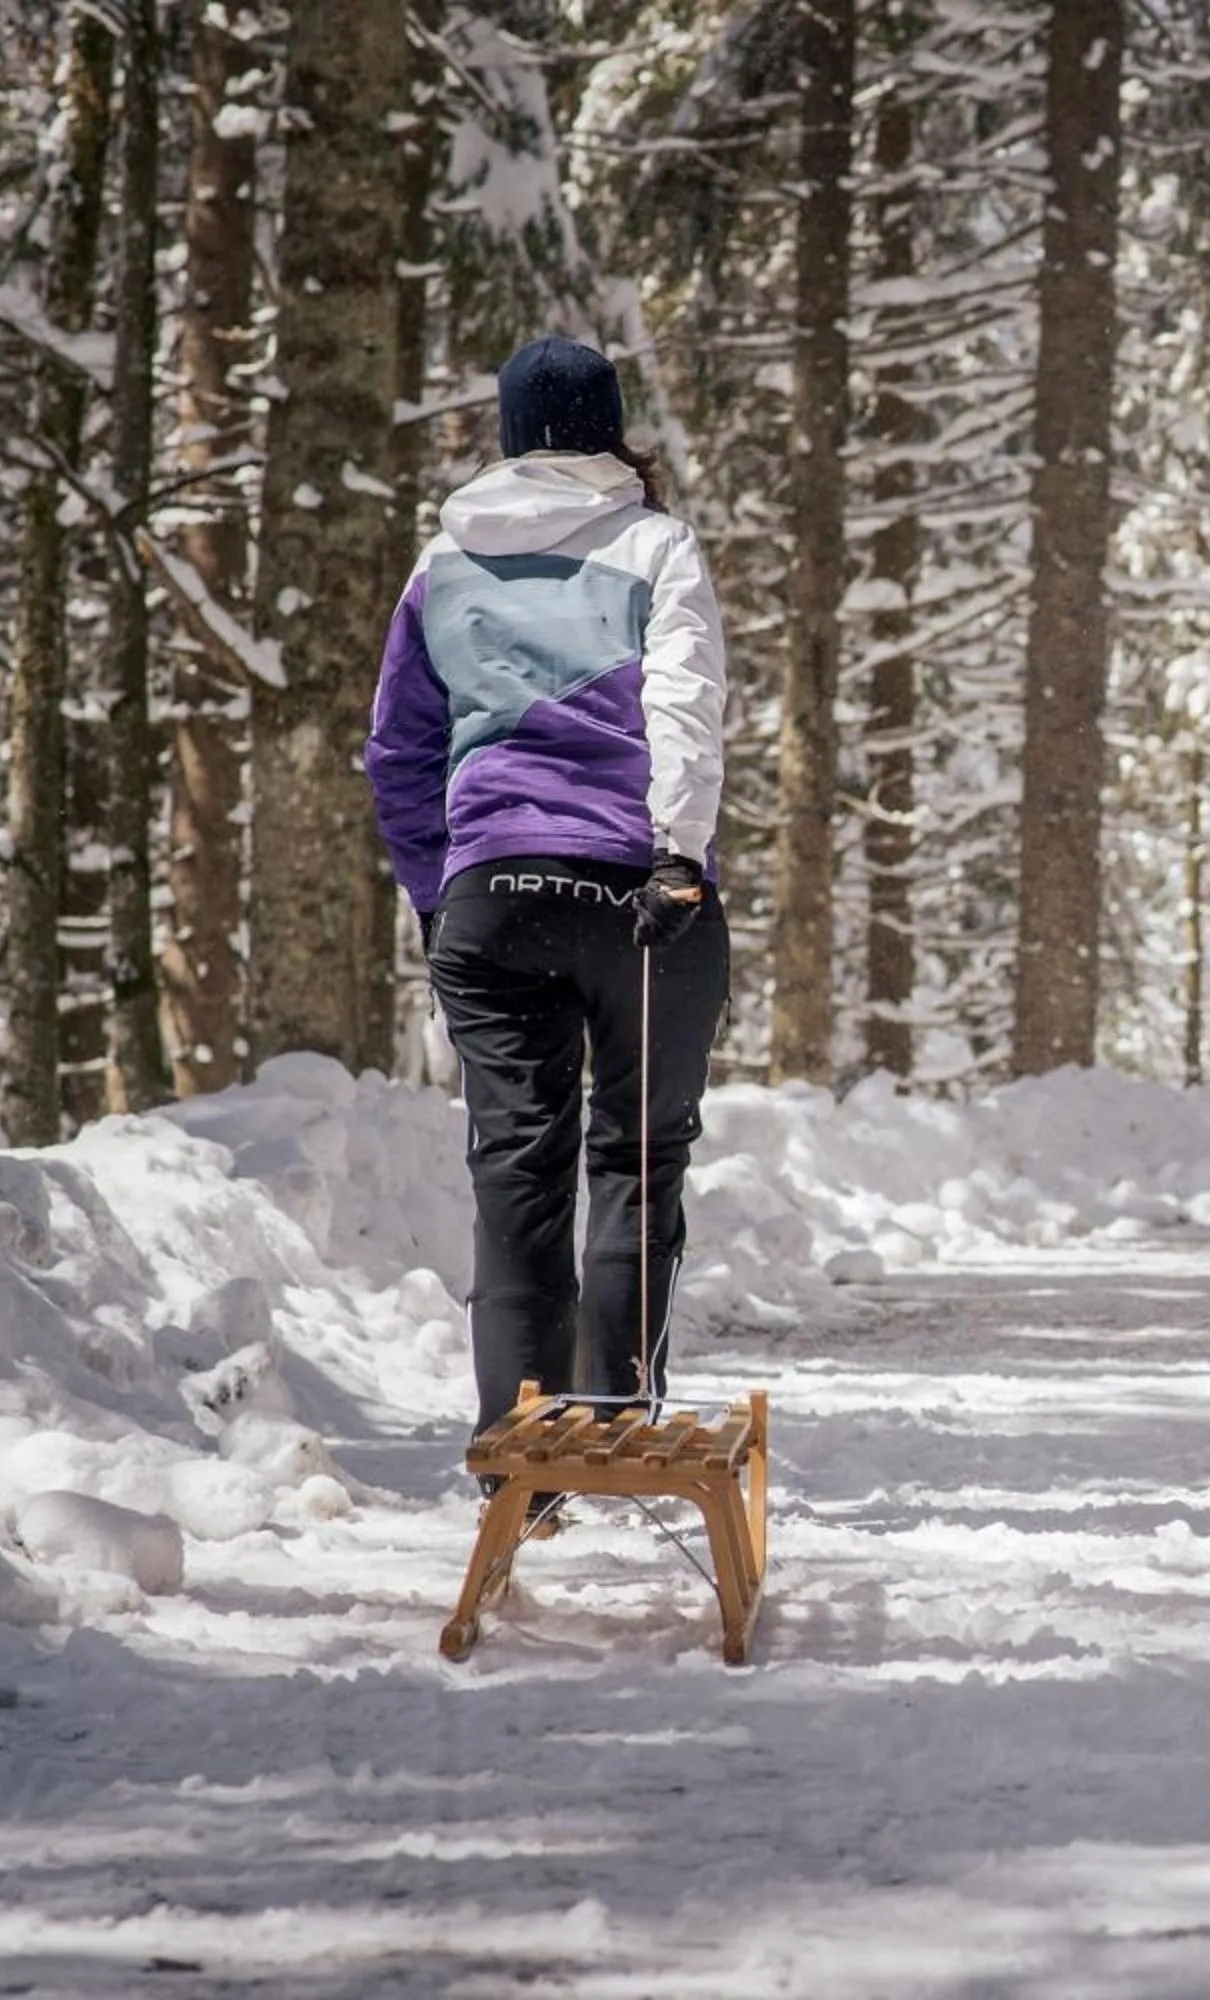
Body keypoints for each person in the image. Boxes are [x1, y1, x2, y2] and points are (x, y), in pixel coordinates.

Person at [366, 334, 731, 1449]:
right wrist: (677, 854)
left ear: (513, 434)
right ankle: (615, 1428)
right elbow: (684, 703)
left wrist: (439, 893)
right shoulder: (656, 546)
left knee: (517, 1168)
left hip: (490, 894)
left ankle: (518, 1456)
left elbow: (398, 751)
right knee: (636, 1156)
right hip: (636, 891)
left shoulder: (441, 563)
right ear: (612, 429)